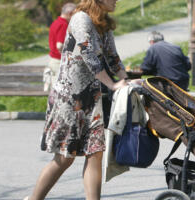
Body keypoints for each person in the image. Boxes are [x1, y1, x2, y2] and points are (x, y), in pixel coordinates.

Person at [27, 0, 129, 199]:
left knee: (95, 154)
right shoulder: (80, 19)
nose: (117, 0)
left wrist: (127, 80)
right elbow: (87, 53)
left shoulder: (103, 22)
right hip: (69, 98)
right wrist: (112, 84)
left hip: (93, 98)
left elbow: (112, 56)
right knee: (65, 158)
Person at [44, 2, 76, 92]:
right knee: (60, 91)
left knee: (55, 90)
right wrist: (68, 58)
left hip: (53, 60)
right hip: (59, 61)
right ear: (70, 14)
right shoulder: (63, 24)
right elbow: (59, 45)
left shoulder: (55, 22)